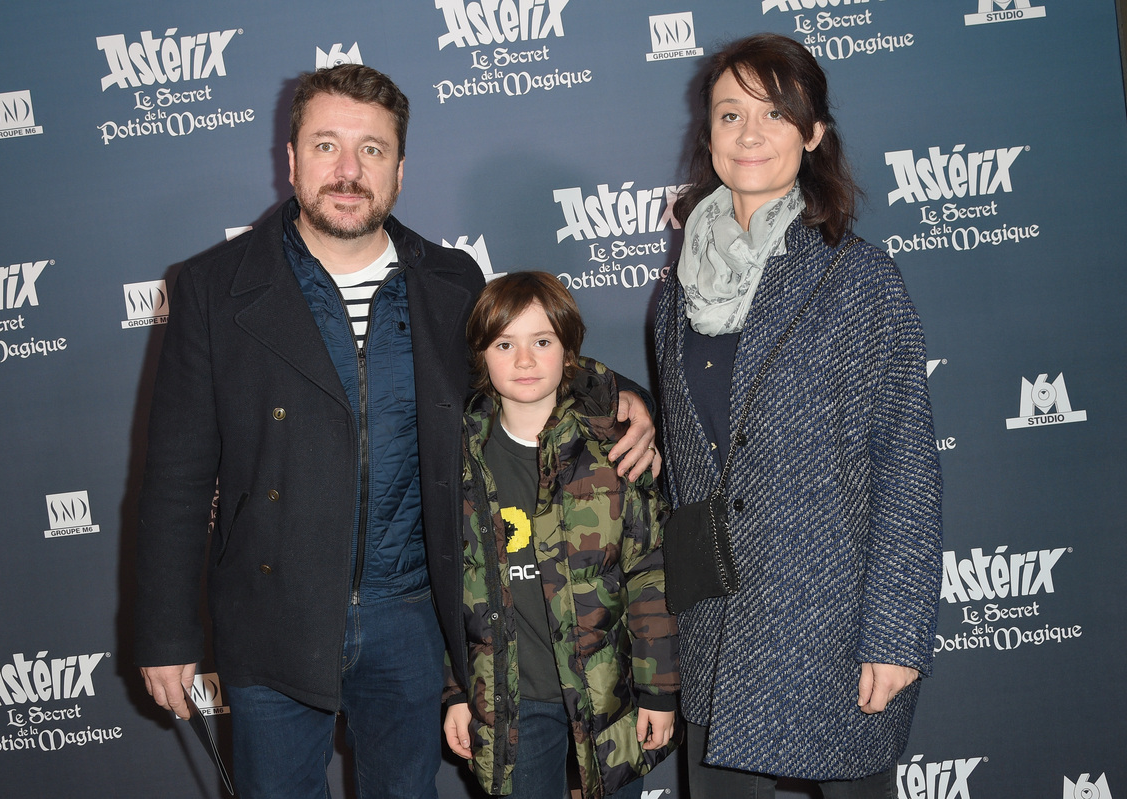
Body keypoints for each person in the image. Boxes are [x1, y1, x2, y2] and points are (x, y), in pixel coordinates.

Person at [133, 64, 659, 798]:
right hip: (273, 619)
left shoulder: (451, 281)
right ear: (290, 161)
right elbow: (176, 476)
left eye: (372, 150)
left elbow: (528, 366)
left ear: (401, 170)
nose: (348, 171)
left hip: (415, 618)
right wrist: (166, 635)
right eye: (326, 146)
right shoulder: (214, 288)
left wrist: (626, 398)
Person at [653, 34, 943, 798]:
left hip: (836, 628)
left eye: (775, 113)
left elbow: (907, 463)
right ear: (707, 134)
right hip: (719, 627)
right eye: (729, 113)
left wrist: (895, 633)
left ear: (813, 134)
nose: (749, 134)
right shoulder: (675, 295)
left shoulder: (861, 279)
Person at [443, 272, 679, 799]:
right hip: (509, 702)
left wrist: (659, 692)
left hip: (604, 693)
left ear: (569, 352)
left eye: (542, 341)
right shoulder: (456, 457)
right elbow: (446, 585)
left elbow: (648, 575)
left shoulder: (616, 451)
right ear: (480, 356)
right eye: (505, 344)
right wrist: (456, 691)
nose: (524, 361)